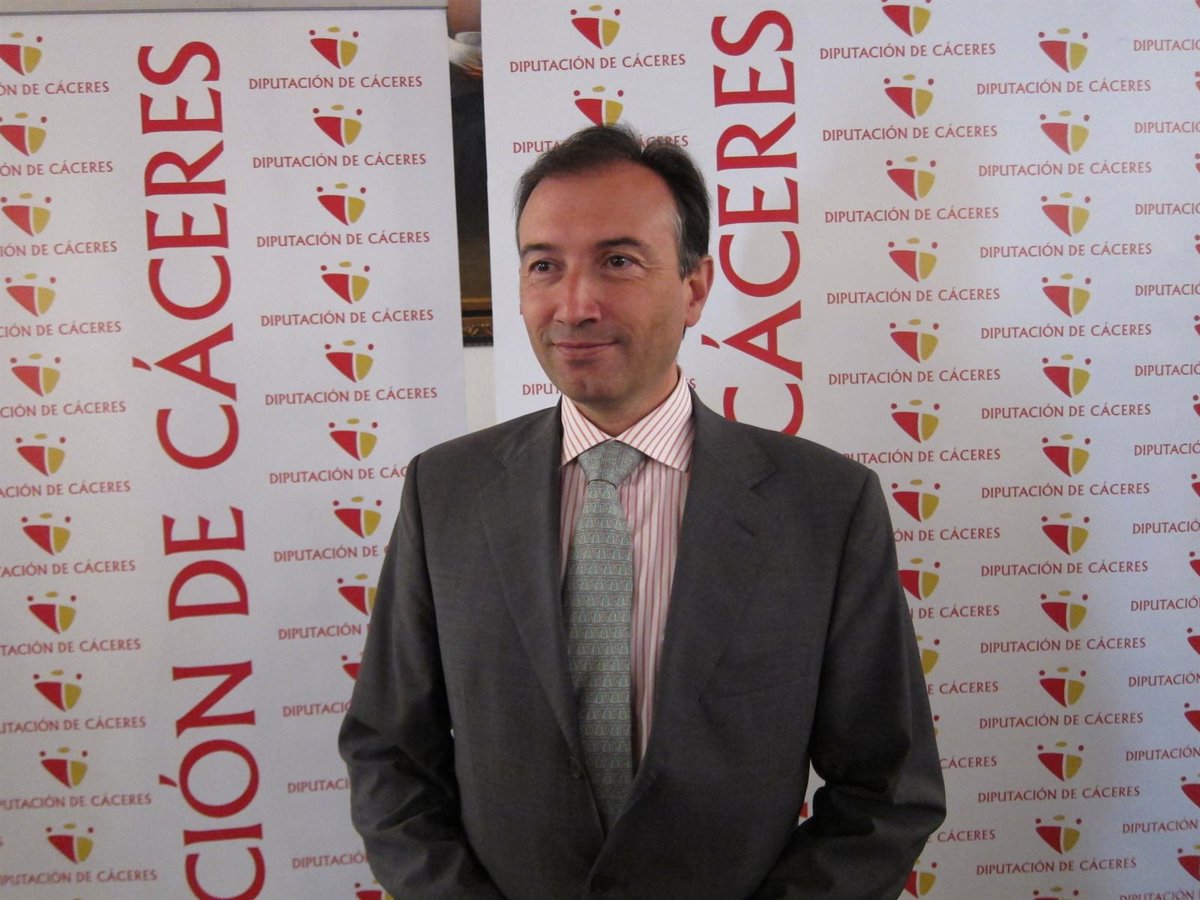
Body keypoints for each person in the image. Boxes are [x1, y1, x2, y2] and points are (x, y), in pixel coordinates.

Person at [339, 123, 945, 899]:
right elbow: (390, 754)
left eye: (618, 261)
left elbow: (887, 790)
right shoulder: (445, 492)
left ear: (695, 286)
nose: (574, 305)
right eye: (544, 265)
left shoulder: (824, 507)